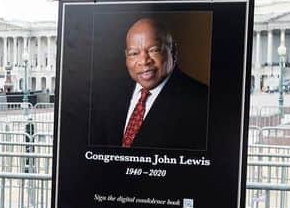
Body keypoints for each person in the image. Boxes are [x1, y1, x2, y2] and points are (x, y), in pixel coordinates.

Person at [90, 17, 210, 150]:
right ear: (126, 57)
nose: (144, 61)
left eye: (154, 50)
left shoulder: (203, 102)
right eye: (134, 53)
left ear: (173, 51)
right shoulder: (108, 95)